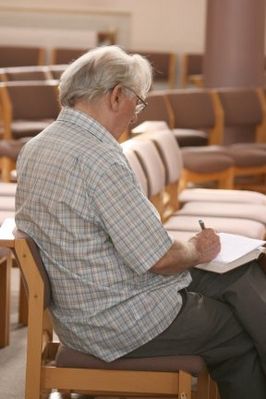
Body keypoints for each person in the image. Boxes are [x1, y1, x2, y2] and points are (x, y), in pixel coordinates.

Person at [15, 45, 266, 398]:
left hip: (82, 309)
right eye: (139, 102)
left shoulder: (36, 147)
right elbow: (157, 258)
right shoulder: (99, 159)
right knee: (237, 329)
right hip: (119, 322)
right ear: (117, 96)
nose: (136, 114)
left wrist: (193, 253)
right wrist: (197, 247)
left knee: (240, 275)